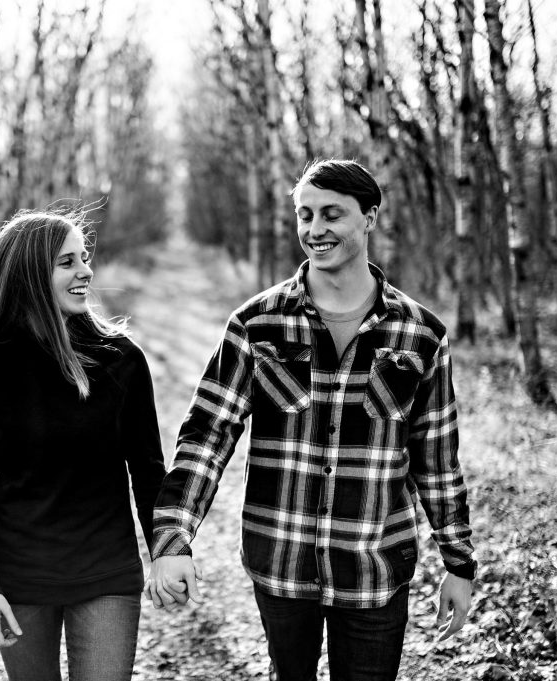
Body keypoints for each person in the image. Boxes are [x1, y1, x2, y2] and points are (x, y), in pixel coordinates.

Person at [145, 159, 476, 681]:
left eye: (331, 214)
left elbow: (436, 460)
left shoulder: (420, 335)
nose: (315, 229)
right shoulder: (257, 324)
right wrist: (172, 537)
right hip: (281, 561)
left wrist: (458, 562)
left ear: (369, 218)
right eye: (305, 215)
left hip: (374, 567)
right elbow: (208, 435)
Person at [0, 210, 166, 681]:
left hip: (106, 572)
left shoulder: (121, 359)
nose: (86, 271)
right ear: (28, 274)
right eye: (67, 262)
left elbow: (149, 472)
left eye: (84, 258)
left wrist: (168, 551)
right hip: (19, 578)